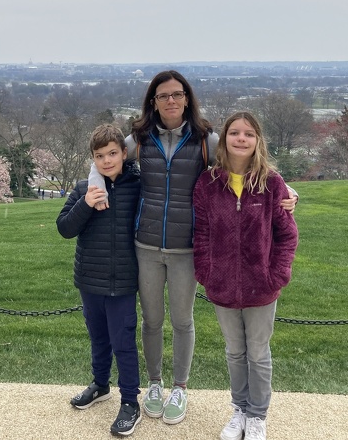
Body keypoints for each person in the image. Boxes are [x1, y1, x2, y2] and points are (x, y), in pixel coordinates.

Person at [125, 70, 297, 425]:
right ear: (153, 102)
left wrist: (292, 192)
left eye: (177, 94)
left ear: (187, 98)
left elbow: (249, 159)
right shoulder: (139, 139)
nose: (170, 101)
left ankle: (180, 388)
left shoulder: (206, 139)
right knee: (152, 321)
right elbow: (104, 160)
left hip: (186, 248)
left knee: (182, 321)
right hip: (146, 244)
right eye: (163, 96)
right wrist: (92, 186)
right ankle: (154, 384)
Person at [192, 111, 299, 440]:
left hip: (261, 288)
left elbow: (287, 236)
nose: (241, 138)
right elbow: (201, 235)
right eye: (235, 133)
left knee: (258, 352)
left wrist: (276, 275)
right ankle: (239, 409)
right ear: (224, 139)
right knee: (234, 352)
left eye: (248, 134)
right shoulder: (208, 185)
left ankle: (258, 415)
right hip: (221, 287)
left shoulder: (272, 184)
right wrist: (206, 273)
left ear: (257, 141)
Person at [56, 123, 143, 437]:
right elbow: (65, 228)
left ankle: (130, 401)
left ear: (123, 153)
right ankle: (100, 384)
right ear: (92, 158)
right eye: (99, 155)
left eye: (112, 153)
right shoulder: (84, 189)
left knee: (123, 343)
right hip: (90, 280)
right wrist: (87, 204)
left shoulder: (138, 184)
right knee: (99, 338)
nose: (107, 160)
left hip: (122, 281)